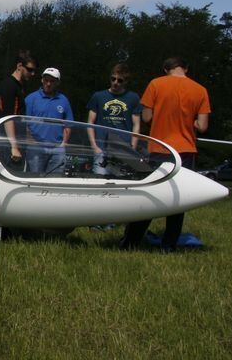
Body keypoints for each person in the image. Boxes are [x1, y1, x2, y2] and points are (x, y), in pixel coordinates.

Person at [120, 56, 211, 251]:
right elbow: (202, 126)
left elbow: (146, 116)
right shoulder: (200, 90)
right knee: (178, 201)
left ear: (165, 69)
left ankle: (131, 242)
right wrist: (189, 122)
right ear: (185, 68)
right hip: (185, 150)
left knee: (150, 196)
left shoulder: (156, 84)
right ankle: (168, 245)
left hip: (160, 148)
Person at [86, 63, 141, 175]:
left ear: (125, 81)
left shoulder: (133, 98)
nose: (115, 82)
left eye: (119, 80)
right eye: (113, 79)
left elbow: (136, 124)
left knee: (121, 183)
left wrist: (133, 147)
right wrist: (94, 146)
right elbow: (90, 123)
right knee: (100, 181)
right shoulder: (98, 96)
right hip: (102, 148)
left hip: (123, 149)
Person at [24, 67, 73, 175]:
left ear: (57, 83)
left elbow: (68, 123)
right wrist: (31, 142)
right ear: (42, 80)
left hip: (57, 148)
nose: (48, 84)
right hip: (36, 147)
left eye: (52, 81)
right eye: (46, 80)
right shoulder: (31, 98)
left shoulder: (63, 100)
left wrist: (64, 144)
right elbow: (25, 123)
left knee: (54, 181)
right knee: (33, 179)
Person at [0, 50, 38, 167]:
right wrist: (14, 146)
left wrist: (28, 136)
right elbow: (8, 118)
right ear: (19, 66)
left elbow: (19, 115)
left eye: (34, 70)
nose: (32, 73)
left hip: (17, 140)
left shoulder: (20, 86)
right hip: (8, 143)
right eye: (30, 69)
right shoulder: (9, 85)